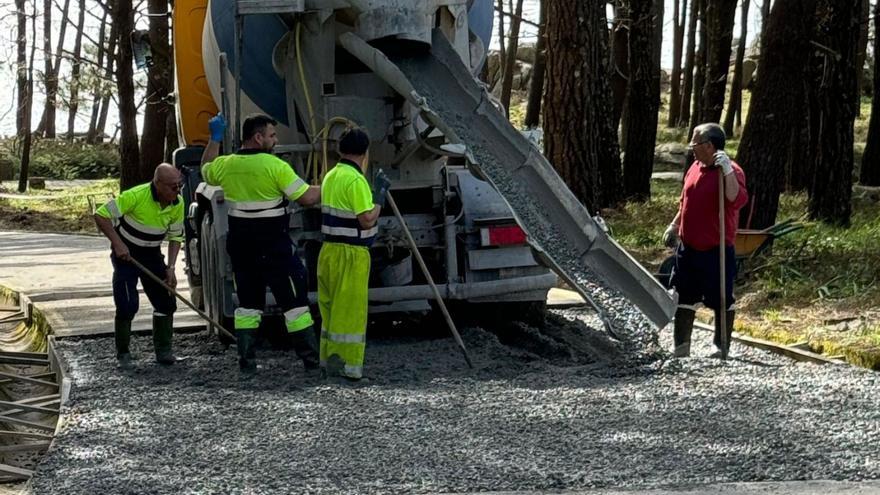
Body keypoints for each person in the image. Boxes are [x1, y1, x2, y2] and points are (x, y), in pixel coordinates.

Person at [201, 113, 322, 373]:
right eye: (272, 135)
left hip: (243, 249)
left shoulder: (226, 164)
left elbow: (206, 169)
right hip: (275, 248)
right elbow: (307, 199)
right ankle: (311, 363)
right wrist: (333, 183)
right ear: (258, 137)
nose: (275, 140)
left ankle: (247, 363)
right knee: (295, 305)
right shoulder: (275, 166)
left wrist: (215, 139)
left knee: (248, 306)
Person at [663, 123, 748, 358]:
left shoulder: (731, 171)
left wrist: (728, 171)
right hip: (688, 247)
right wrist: (675, 224)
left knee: (720, 297)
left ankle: (721, 345)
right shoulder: (694, 167)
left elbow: (735, 198)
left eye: (696, 143)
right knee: (683, 294)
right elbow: (685, 202)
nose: (692, 147)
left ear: (710, 146)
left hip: (716, 249)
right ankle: (681, 346)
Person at [94, 163, 185, 369]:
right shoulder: (135, 196)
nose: (177, 190)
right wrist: (118, 244)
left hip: (152, 254)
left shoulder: (177, 202)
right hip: (126, 254)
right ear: (158, 184)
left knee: (166, 301)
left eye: (179, 185)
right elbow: (100, 214)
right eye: (172, 186)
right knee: (127, 303)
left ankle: (164, 351)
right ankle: (123, 353)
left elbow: (175, 237)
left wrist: (170, 267)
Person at [318, 127, 389, 382]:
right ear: (365, 152)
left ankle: (328, 361)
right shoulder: (356, 180)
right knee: (350, 313)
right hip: (351, 254)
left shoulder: (331, 176)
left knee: (331, 310)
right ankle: (349, 368)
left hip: (328, 253)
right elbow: (367, 219)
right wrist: (379, 195)